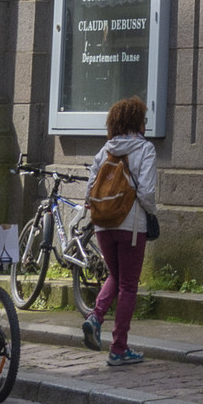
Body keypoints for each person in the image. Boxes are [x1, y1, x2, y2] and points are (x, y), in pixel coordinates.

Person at [80, 94, 158, 367]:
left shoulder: (105, 151)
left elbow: (90, 190)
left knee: (115, 274)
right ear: (137, 122)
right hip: (131, 225)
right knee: (128, 284)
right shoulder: (145, 149)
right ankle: (118, 348)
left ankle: (95, 316)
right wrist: (152, 212)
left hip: (103, 224)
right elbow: (147, 192)